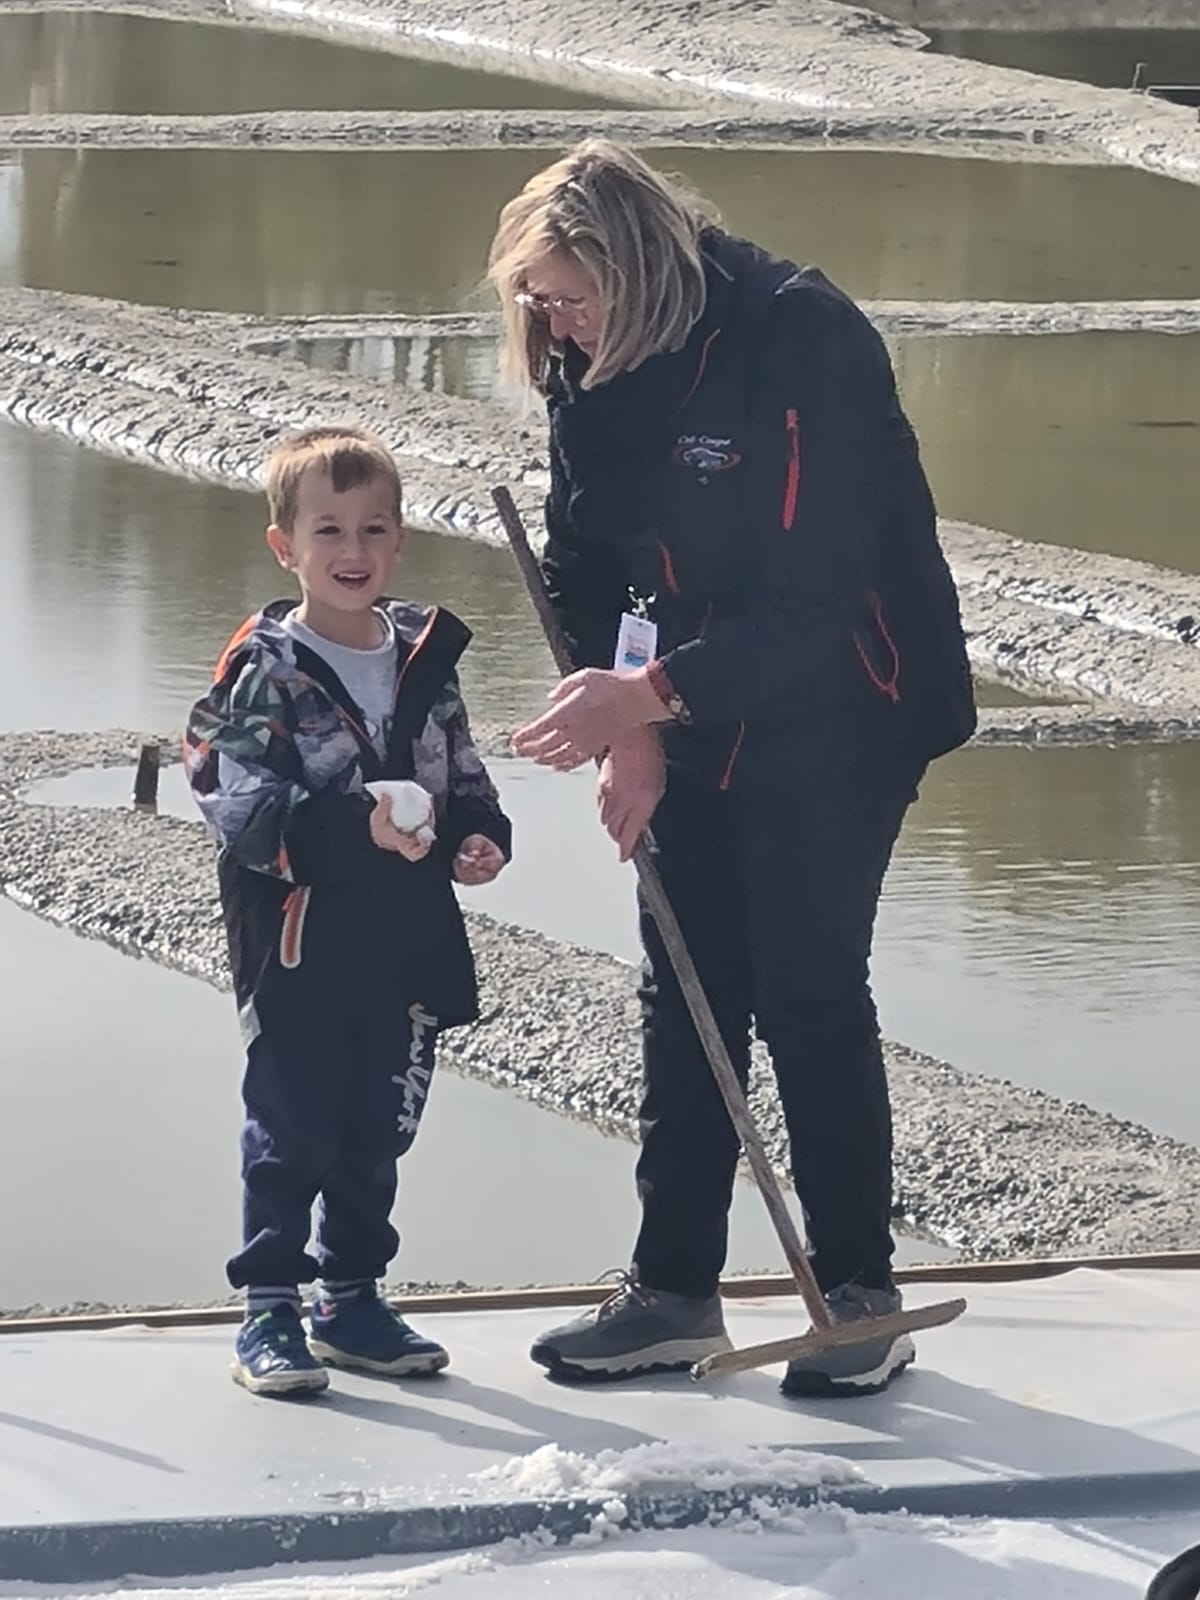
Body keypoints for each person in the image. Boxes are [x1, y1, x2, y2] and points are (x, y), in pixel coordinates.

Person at [488, 140, 975, 1398]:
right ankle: (672, 1291)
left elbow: (816, 596)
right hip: (692, 692)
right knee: (685, 979)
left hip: (849, 696)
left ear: (638, 265)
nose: (555, 326)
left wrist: (646, 695)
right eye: (539, 303)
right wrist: (635, 731)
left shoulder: (801, 336)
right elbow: (589, 556)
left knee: (804, 982)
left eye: (572, 297)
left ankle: (860, 1295)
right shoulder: (577, 353)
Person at [185, 426, 511, 1397]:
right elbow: (224, 794)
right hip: (297, 945)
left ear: (401, 541)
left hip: (405, 942)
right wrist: (347, 824)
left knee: (378, 1129)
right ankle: (270, 1309)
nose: (352, 550)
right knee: (293, 1126)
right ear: (284, 545)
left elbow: (462, 775)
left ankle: (352, 1297)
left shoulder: (425, 658)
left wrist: (476, 835)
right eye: (327, 529)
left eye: (373, 528)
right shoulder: (259, 664)